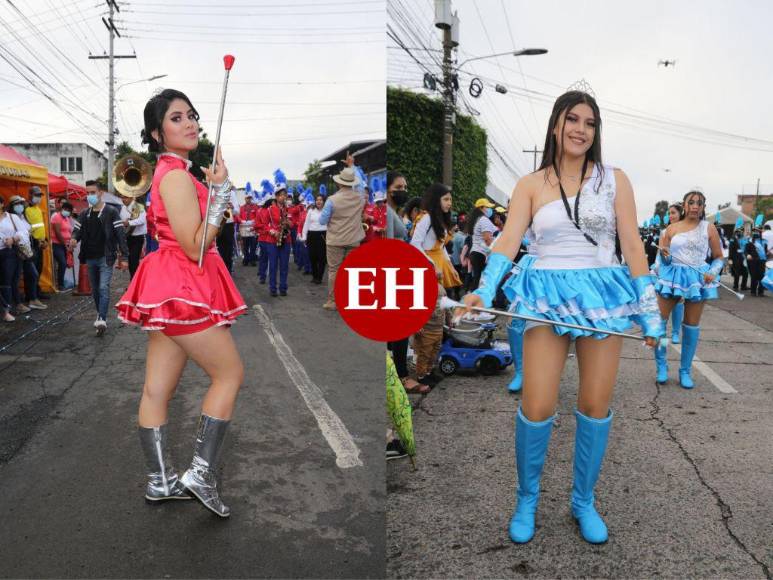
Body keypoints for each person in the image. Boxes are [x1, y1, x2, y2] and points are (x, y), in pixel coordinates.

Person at [463, 90, 664, 545]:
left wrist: (650, 312)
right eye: (572, 119)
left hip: (603, 297)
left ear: (596, 132)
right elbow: (509, 240)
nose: (580, 129)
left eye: (589, 123)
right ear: (556, 124)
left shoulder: (615, 179)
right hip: (546, 294)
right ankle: (527, 499)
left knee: (594, 405)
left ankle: (582, 500)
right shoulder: (530, 184)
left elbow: (632, 245)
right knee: (537, 405)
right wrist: (482, 290)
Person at [116, 88, 246, 517]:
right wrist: (222, 193)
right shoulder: (172, 174)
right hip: (183, 283)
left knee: (157, 389)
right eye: (175, 118)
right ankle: (199, 474)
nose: (189, 123)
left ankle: (160, 482)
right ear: (157, 133)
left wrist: (215, 190)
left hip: (171, 284)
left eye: (191, 115)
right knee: (229, 375)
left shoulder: (176, 172)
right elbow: (195, 246)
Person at [654, 190, 724, 388]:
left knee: (691, 327)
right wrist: (665, 255)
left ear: (703, 207)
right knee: (659, 325)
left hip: (697, 278)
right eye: (691, 202)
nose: (695, 206)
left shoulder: (708, 228)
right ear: (684, 206)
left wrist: (713, 271)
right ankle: (662, 366)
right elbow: (663, 260)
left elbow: (719, 257)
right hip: (672, 277)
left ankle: (684, 370)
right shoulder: (671, 229)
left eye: (699, 203)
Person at [70, 181, 128, 334]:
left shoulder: (111, 212)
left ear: (100, 193)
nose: (90, 196)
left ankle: (102, 318)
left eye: (93, 192)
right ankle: (100, 314)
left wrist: (125, 257)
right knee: (95, 290)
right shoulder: (84, 214)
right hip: (89, 257)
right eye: (87, 193)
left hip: (106, 257)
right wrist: (74, 239)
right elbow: (77, 231)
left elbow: (120, 234)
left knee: (103, 287)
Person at [319, 162, 365, 311]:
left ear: (339, 183)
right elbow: (362, 189)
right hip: (354, 239)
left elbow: (322, 220)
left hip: (335, 240)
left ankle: (333, 301)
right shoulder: (360, 199)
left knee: (334, 270)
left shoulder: (331, 200)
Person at [410, 183, 462, 294]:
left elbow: (441, 246)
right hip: (429, 264)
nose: (449, 203)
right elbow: (415, 244)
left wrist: (451, 267)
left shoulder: (441, 219)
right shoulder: (426, 218)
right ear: (436, 200)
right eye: (446, 199)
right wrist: (431, 265)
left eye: (450, 200)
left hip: (441, 265)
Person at [8, 195, 47, 312]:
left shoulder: (23, 217)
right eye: (16, 204)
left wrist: (37, 242)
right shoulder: (10, 218)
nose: (20, 206)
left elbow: (27, 233)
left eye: (21, 203)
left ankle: (32, 299)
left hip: (27, 251)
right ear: (11, 206)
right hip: (16, 251)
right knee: (15, 279)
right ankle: (18, 303)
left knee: (32, 274)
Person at [265, 170, 292, 297]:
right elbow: (264, 225)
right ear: (276, 196)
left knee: (284, 266)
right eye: (281, 195)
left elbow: (293, 223)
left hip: (286, 240)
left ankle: (283, 288)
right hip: (273, 240)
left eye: (285, 195)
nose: (283, 197)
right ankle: (273, 288)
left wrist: (288, 223)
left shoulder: (289, 209)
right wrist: (273, 231)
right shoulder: (270, 209)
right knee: (274, 265)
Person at [0, 195, 26, 322]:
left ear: (1, 204)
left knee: (6, 281)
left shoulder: (11, 217)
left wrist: (13, 239)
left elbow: (23, 232)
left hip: (9, 252)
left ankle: (6, 311)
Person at [466, 198, 498, 290]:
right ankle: (475, 300)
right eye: (487, 207)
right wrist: (495, 251)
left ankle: (473, 297)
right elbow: (488, 239)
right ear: (481, 208)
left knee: (477, 278)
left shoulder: (476, 220)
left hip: (475, 252)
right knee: (479, 280)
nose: (489, 210)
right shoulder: (484, 220)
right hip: (481, 253)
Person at [24, 185, 48, 296]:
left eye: (40, 195)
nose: (38, 198)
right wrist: (36, 240)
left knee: (39, 269)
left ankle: (37, 292)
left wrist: (45, 240)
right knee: (31, 272)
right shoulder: (25, 209)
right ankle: (30, 295)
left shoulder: (38, 209)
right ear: (30, 195)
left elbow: (40, 226)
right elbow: (24, 229)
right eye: (36, 195)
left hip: (40, 244)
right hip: (32, 245)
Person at [119, 191, 147, 280]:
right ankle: (133, 281)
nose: (123, 199)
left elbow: (142, 220)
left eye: (125, 197)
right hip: (128, 237)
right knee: (130, 261)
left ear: (131, 198)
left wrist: (129, 222)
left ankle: (135, 282)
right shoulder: (123, 208)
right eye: (122, 197)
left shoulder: (139, 207)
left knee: (134, 261)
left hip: (137, 237)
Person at [301, 193, 327, 284]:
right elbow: (306, 224)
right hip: (312, 235)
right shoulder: (311, 211)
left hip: (323, 235)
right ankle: (314, 276)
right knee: (312, 257)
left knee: (322, 258)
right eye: (317, 200)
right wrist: (304, 236)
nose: (318, 201)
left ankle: (319, 277)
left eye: (321, 200)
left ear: (324, 201)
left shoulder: (327, 211)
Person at [50, 201, 74, 289]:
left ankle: (62, 282)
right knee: (62, 262)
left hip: (66, 244)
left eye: (68, 210)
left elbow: (68, 231)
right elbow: (57, 232)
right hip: (57, 244)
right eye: (65, 209)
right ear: (62, 208)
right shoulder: (57, 217)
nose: (66, 211)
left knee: (66, 263)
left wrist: (70, 242)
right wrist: (64, 244)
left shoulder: (66, 218)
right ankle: (60, 284)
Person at [256, 180, 275, 285]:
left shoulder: (275, 210)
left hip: (272, 239)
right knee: (263, 259)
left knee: (272, 261)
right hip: (263, 239)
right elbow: (256, 225)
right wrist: (265, 227)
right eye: (272, 201)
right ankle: (262, 277)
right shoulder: (260, 211)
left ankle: (272, 279)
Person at [745, 227, 768, 297]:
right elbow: (746, 251)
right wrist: (748, 255)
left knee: (762, 276)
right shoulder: (749, 241)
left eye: (757, 231)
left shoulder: (764, 241)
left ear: (760, 232)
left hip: (762, 261)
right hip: (753, 261)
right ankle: (753, 291)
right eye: (754, 231)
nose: (756, 232)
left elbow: (765, 251)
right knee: (754, 276)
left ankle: (761, 292)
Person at [239, 193, 259, 266]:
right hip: (244, 228)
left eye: (250, 198)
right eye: (247, 198)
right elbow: (238, 217)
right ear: (245, 199)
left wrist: (253, 221)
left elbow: (258, 216)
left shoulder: (255, 207)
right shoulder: (241, 207)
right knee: (245, 245)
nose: (249, 199)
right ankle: (246, 259)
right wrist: (242, 221)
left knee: (253, 245)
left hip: (252, 228)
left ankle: (252, 259)